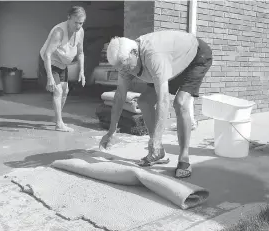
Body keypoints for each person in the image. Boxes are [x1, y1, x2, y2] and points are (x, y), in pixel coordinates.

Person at [99, 30, 212, 178]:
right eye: (120, 68)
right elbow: (120, 96)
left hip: (195, 56)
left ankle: (184, 158)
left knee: (180, 102)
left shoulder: (153, 57)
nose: (124, 71)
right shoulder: (125, 61)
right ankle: (158, 152)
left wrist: (157, 138)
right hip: (171, 62)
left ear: (135, 53)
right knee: (144, 101)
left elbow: (163, 100)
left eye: (125, 66)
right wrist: (111, 131)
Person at [39, 6, 86, 132]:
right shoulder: (59, 32)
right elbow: (48, 54)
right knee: (58, 91)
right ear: (68, 18)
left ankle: (57, 117)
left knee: (65, 91)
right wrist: (49, 77)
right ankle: (59, 124)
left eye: (81, 23)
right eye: (75, 22)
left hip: (63, 64)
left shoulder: (80, 32)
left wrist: (82, 71)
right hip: (50, 62)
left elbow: (80, 53)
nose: (78, 26)